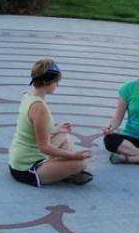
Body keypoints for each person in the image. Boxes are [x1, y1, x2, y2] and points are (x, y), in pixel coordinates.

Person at [8, 59, 92, 187]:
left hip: (19, 157)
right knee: (81, 163)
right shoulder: (39, 107)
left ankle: (62, 170)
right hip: (26, 168)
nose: (57, 85)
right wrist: (73, 155)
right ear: (46, 82)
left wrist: (55, 129)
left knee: (63, 136)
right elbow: (44, 147)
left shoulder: (29, 96)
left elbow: (33, 130)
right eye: (56, 81)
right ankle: (65, 171)